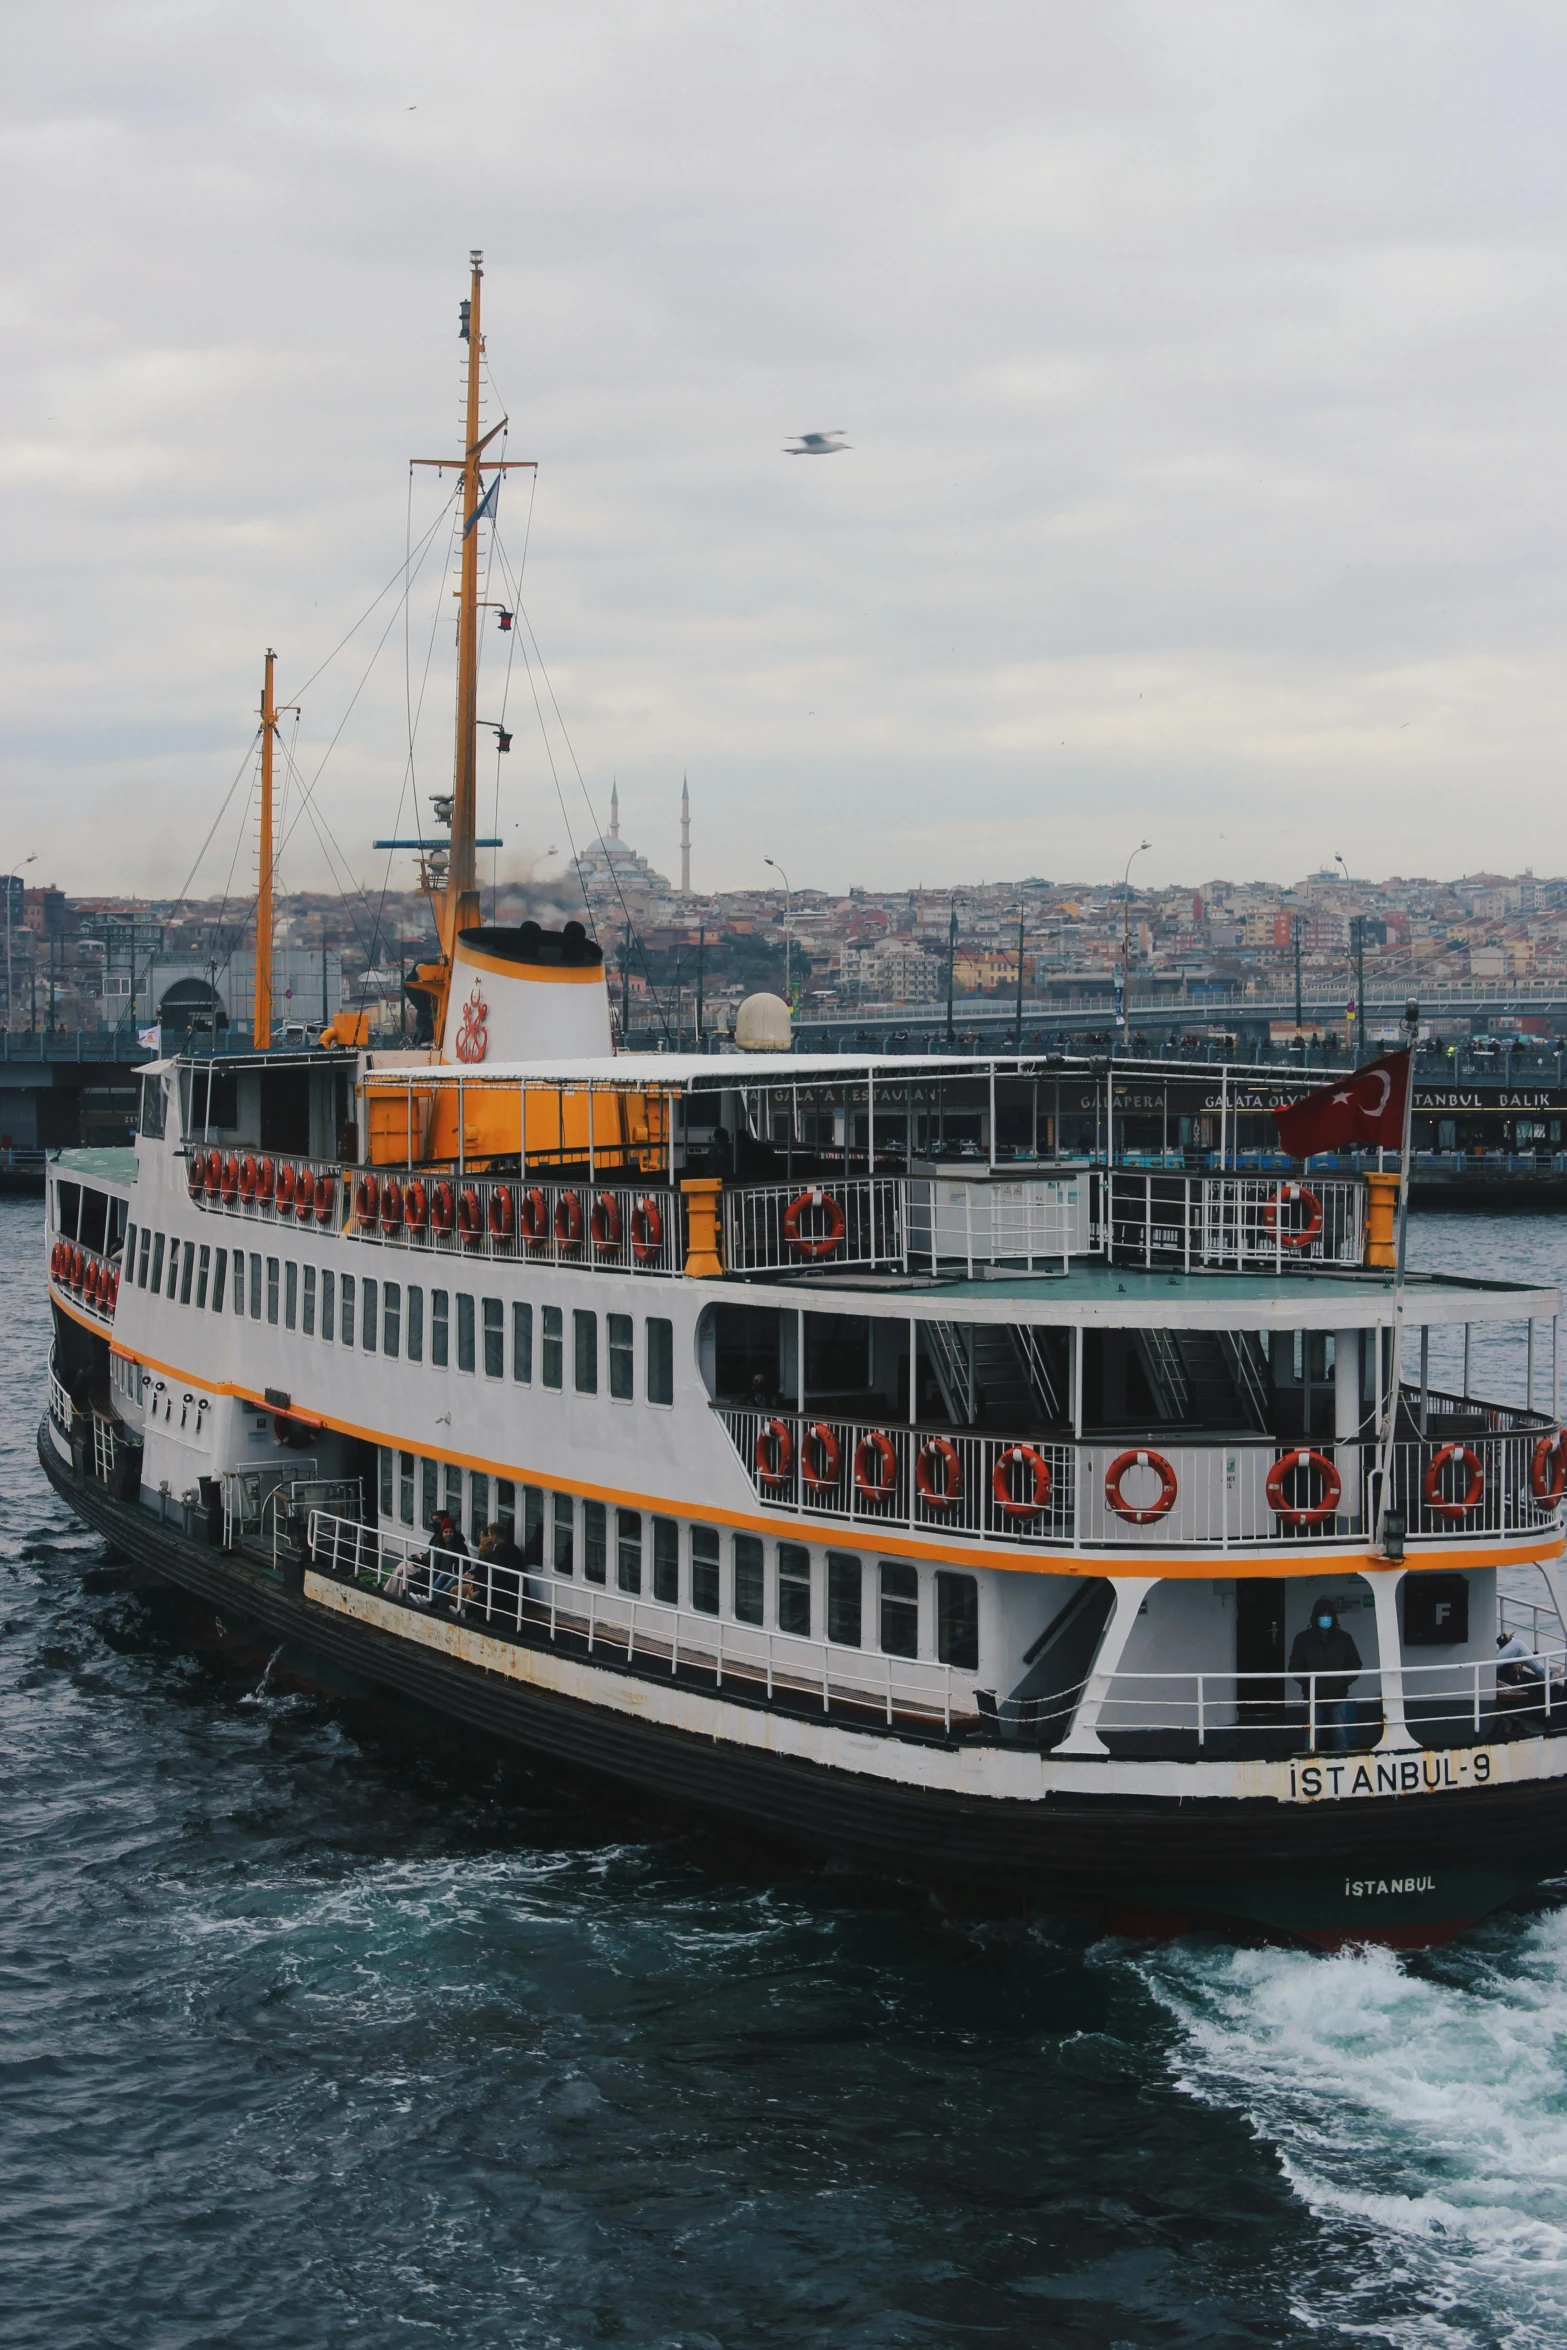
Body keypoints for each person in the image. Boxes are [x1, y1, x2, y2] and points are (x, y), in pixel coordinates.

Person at [1289, 1599, 1363, 1753]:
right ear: (1315, 1617)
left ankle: (1343, 1766)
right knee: (1311, 1736)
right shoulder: (1302, 1639)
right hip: (1312, 1696)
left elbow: (1355, 1664)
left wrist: (1342, 1683)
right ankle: (1309, 1764)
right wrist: (1307, 1683)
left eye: (1328, 1614)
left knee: (1340, 1734)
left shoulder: (1344, 1639)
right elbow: (1294, 1666)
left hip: (1337, 1696)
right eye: (1322, 1614)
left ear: (1334, 1617)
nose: (1325, 1618)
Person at [1496, 1628, 1545, 1733]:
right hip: (1484, 1667)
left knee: (1518, 1649)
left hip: (1484, 1661)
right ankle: (1545, 1674)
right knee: (1518, 1645)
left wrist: (1502, 1641)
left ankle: (1544, 1672)